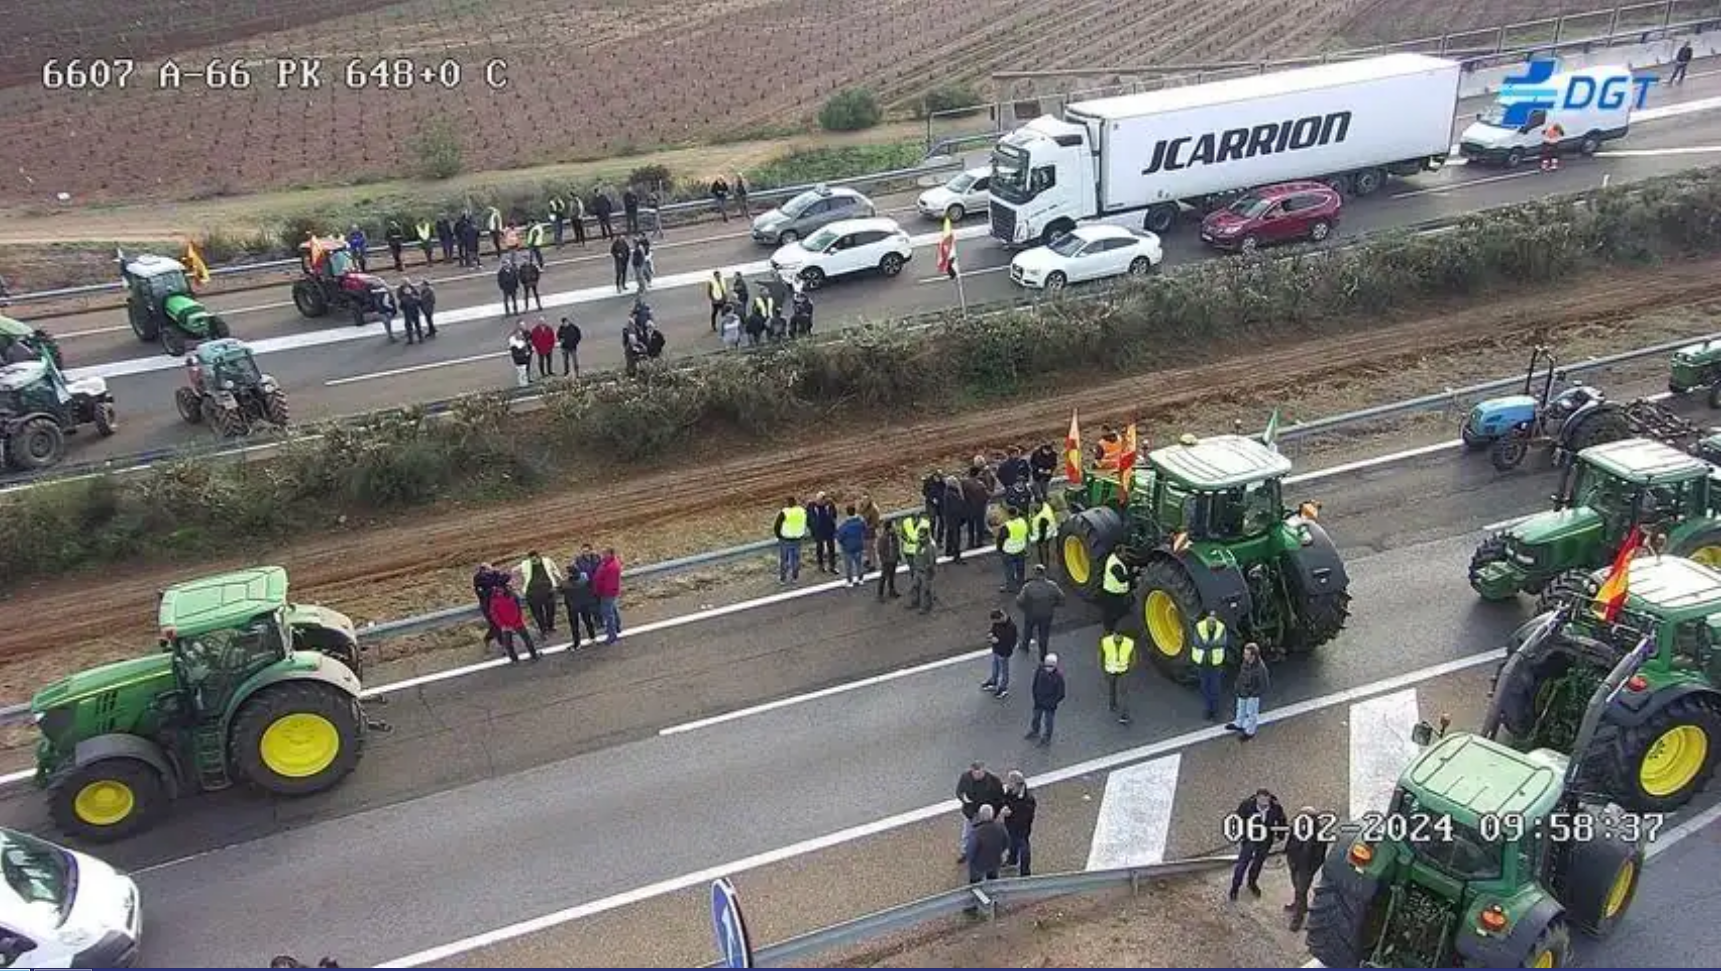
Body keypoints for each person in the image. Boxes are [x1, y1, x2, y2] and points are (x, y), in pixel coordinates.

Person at [1228, 788, 1286, 901]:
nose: (1264, 805)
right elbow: (1238, 819)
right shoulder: (1247, 805)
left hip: (1265, 840)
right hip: (1250, 839)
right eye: (1261, 802)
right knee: (1242, 864)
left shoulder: (1276, 807)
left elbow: (1282, 820)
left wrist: (1280, 834)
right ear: (1257, 798)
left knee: (1258, 863)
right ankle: (1235, 887)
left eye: (1266, 801)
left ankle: (1252, 882)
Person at [1284, 806, 1332, 931]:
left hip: (1306, 868)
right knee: (1297, 888)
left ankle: (1298, 918)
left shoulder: (1319, 835)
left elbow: (1320, 857)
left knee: (1301, 891)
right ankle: (1301, 906)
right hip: (1294, 862)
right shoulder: (1297, 826)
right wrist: (1289, 857)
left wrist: (1311, 870)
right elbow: (1290, 841)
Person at [955, 762, 1005, 863]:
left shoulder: (994, 781)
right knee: (967, 834)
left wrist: (994, 813)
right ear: (971, 771)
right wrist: (963, 798)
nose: (977, 775)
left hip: (987, 815)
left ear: (984, 770)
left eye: (979, 772)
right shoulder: (965, 777)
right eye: (975, 773)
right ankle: (966, 852)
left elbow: (1000, 798)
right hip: (971, 813)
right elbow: (959, 791)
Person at [1015, 564, 1064, 661]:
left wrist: (1025, 609)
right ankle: (1043, 654)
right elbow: (1062, 598)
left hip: (1031, 614)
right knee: (1043, 634)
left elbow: (1019, 601)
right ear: (1044, 574)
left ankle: (1025, 646)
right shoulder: (1052, 586)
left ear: (1034, 574)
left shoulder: (1028, 587)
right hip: (1047, 614)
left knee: (1028, 630)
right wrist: (1054, 605)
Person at [487, 579, 539, 662]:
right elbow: (517, 609)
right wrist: (513, 621)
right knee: (524, 639)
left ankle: (516, 659)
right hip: (515, 623)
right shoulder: (511, 596)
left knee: (509, 643)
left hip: (507, 625)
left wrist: (503, 625)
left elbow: (494, 614)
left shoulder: (494, 599)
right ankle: (533, 655)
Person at [1193, 610, 1229, 721]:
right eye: (1210, 620)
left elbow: (1223, 643)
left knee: (1215, 688)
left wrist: (1207, 644)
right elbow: (1197, 643)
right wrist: (1213, 644)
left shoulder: (1221, 627)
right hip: (1202, 663)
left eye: (1213, 620)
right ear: (1206, 619)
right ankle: (1208, 710)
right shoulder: (1199, 627)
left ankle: (1216, 711)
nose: (1211, 622)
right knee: (1205, 687)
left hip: (1215, 663)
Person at [1229, 642, 1269, 740]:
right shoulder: (1245, 662)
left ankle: (1250, 732)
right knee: (1240, 708)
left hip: (1252, 694)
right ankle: (1239, 724)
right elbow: (1242, 674)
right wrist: (1238, 685)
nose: (1244, 656)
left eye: (1246, 654)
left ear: (1253, 656)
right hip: (1243, 691)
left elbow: (1264, 685)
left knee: (1252, 713)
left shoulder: (1260, 668)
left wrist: (1253, 693)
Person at [517, 550, 562, 636]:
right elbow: (514, 571)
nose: (533, 561)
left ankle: (550, 626)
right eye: (532, 560)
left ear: (539, 557)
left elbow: (555, 569)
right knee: (538, 614)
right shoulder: (525, 564)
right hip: (532, 593)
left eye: (535, 560)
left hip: (548, 591)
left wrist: (560, 578)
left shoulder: (547, 561)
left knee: (551, 610)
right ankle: (543, 630)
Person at [1001, 771, 1037, 876]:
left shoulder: (1028, 799)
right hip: (1010, 825)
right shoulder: (1011, 791)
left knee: (1024, 848)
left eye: (1010, 782)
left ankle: (1025, 872)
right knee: (1012, 843)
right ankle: (1012, 860)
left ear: (1017, 784)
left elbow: (1025, 816)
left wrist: (1010, 811)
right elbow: (1005, 799)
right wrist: (1004, 806)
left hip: (1022, 828)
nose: (1008, 784)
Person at [1099, 624, 1135, 725]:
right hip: (1110, 671)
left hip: (1124, 671)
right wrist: (1104, 671)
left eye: (1119, 636)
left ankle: (1124, 716)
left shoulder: (1128, 643)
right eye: (1116, 635)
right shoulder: (1106, 642)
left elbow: (1133, 658)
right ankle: (1112, 704)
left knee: (1124, 694)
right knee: (1112, 689)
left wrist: (1129, 669)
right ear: (1113, 634)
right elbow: (1101, 657)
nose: (1117, 638)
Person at [1026, 653, 1065, 745]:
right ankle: (1035, 731)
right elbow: (1035, 683)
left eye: (1051, 666)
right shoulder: (1040, 669)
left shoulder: (1058, 677)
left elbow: (1061, 694)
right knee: (1036, 718)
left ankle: (1047, 737)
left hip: (1049, 705)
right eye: (1047, 665)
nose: (1048, 668)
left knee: (1048, 722)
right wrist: (1035, 696)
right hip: (1038, 701)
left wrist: (1051, 702)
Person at [981, 608, 1017, 698]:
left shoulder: (1011, 627)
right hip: (996, 650)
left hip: (1004, 652)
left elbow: (1011, 642)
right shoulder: (997, 623)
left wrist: (998, 641)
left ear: (1000, 618)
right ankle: (993, 682)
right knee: (995, 667)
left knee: (1004, 671)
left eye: (996, 621)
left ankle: (1003, 688)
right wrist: (991, 634)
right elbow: (993, 629)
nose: (994, 623)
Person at [592, 547, 623, 644]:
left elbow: (609, 584)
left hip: (607, 594)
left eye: (605, 554)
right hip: (608, 593)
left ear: (610, 554)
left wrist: (600, 592)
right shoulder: (607, 563)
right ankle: (617, 628)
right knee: (612, 611)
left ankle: (612, 637)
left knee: (608, 614)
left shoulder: (612, 567)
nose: (603, 556)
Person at [773, 496, 808, 584]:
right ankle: (795, 577)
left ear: (788, 503)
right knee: (795, 559)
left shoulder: (785, 512)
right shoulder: (801, 511)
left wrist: (779, 536)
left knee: (784, 560)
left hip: (786, 539)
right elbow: (806, 521)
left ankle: (783, 579)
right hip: (798, 538)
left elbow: (777, 526)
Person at [473, 562, 505, 651]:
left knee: (499, 624)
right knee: (495, 625)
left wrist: (497, 575)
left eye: (491, 569)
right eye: (489, 569)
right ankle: (502, 645)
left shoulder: (494, 574)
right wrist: (493, 588)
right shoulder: (478, 578)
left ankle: (489, 639)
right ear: (484, 570)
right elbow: (481, 593)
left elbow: (502, 581)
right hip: (487, 606)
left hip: (498, 603)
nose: (491, 571)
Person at [996, 505, 1030, 592]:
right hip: (1020, 549)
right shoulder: (1022, 521)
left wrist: (999, 550)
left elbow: (1000, 540)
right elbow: (1026, 534)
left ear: (1008, 515)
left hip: (1009, 551)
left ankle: (1011, 586)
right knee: (1020, 568)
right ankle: (1021, 582)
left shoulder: (1006, 527)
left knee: (1009, 570)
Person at [836, 504, 867, 588]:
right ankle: (860, 579)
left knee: (848, 566)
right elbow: (865, 529)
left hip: (847, 549)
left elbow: (839, 537)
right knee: (859, 564)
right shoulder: (860, 522)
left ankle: (850, 582)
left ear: (847, 513)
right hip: (859, 546)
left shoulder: (845, 526)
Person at [1100, 551, 1132, 629]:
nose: (1126, 556)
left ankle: (1112, 625)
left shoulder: (1114, 558)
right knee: (1110, 611)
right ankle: (1108, 628)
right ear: (1119, 554)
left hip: (1114, 591)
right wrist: (1133, 574)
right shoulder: (1115, 565)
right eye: (1124, 554)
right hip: (1112, 592)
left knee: (1113, 610)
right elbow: (1121, 579)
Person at [908, 523, 936, 613]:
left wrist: (928, 571)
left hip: (925, 572)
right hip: (918, 570)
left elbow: (931, 562)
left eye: (922, 536)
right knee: (915, 587)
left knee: (926, 590)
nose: (920, 538)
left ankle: (926, 607)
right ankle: (915, 602)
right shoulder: (920, 543)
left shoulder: (930, 546)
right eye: (919, 536)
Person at [809, 492, 839, 575]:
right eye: (818, 500)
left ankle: (832, 566)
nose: (820, 502)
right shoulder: (811, 506)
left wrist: (832, 523)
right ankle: (820, 565)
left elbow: (834, 514)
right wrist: (812, 529)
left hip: (829, 530)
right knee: (819, 548)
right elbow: (809, 518)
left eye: (822, 500)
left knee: (831, 548)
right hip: (818, 531)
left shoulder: (830, 504)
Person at [875, 516, 902, 600]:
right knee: (883, 577)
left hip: (893, 559)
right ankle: (880, 594)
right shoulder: (883, 538)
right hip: (887, 561)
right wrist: (884, 560)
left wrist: (898, 555)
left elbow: (897, 546)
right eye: (893, 526)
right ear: (889, 528)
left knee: (892, 576)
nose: (895, 527)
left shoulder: (894, 536)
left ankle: (891, 590)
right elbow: (880, 551)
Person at [941, 475, 966, 563]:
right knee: (956, 537)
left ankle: (948, 551)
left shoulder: (947, 492)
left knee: (950, 535)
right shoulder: (953, 494)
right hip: (955, 519)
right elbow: (958, 507)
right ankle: (956, 556)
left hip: (949, 518)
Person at [1029, 497, 1058, 567]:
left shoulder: (1043, 517)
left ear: (1038, 504)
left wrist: (1033, 538)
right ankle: (1043, 562)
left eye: (1033, 504)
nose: (1032, 505)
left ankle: (1044, 566)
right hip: (1046, 532)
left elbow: (1042, 533)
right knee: (1042, 550)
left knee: (1043, 550)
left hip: (1044, 535)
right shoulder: (1045, 506)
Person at [859, 494, 881, 571]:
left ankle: (873, 564)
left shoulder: (874, 509)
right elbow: (860, 513)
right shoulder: (862, 506)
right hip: (864, 530)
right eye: (862, 500)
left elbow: (876, 523)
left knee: (871, 548)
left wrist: (868, 527)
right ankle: (869, 560)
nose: (863, 501)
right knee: (867, 547)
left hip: (871, 531)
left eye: (865, 500)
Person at [393, 279, 417, 344]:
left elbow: (416, 295)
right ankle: (411, 338)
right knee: (409, 324)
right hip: (408, 309)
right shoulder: (401, 289)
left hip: (410, 309)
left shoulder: (410, 287)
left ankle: (414, 337)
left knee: (413, 323)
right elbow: (399, 297)